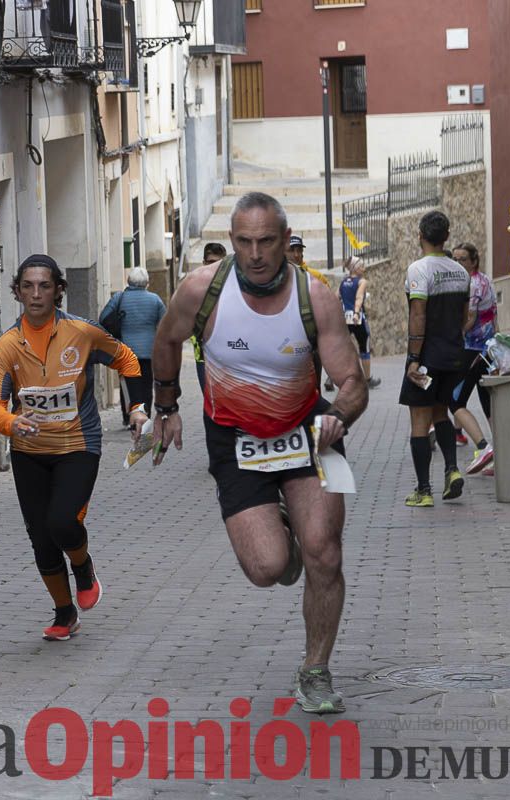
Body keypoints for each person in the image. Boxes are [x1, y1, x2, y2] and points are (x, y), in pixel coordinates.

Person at [151, 192, 368, 714]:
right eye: (244, 242)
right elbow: (165, 342)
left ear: (285, 240)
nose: (255, 253)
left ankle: (316, 670)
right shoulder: (201, 291)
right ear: (232, 242)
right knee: (268, 567)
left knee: (327, 551)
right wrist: (166, 405)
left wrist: (342, 415)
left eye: (266, 241)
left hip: (310, 432)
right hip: (235, 440)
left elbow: (352, 381)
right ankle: (286, 541)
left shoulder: (314, 298)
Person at [0, 254, 148, 640]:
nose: (36, 294)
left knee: (61, 521)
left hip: (78, 444)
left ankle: (83, 566)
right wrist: (12, 422)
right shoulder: (8, 345)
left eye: (44, 285)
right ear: (18, 291)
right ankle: (64, 612)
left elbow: (127, 359)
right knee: (41, 538)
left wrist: (139, 408)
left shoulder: (83, 332)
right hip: (29, 452)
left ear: (59, 290)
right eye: (28, 286)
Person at [400, 212, 473, 508]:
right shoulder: (461, 272)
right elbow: (464, 315)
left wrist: (414, 358)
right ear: (446, 236)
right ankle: (452, 470)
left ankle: (424, 489)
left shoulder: (419, 269)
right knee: (441, 412)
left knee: (420, 420)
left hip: (427, 355)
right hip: (454, 355)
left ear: (420, 235)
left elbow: (418, 314)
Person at [448, 243, 496, 474]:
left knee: (455, 401)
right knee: (488, 401)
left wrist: (451, 337)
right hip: (487, 348)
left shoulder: (473, 284)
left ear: (474, 261)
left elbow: (469, 319)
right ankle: (504, 454)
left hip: (472, 349)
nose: (458, 264)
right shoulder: (485, 280)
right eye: (455, 259)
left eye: (463, 259)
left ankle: (484, 447)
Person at [100, 267, 166, 426]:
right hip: (148, 351)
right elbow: (165, 323)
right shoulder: (155, 299)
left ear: (128, 281)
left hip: (125, 351)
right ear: (147, 283)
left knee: (128, 385)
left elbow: (103, 318)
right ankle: (145, 414)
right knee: (146, 384)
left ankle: (128, 416)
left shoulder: (119, 298)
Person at [338, 257, 380, 389]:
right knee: (364, 346)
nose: (364, 268)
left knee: (342, 348)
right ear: (355, 268)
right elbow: (359, 297)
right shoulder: (362, 281)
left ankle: (330, 378)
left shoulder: (344, 282)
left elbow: (336, 298)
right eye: (361, 266)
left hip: (345, 318)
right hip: (357, 319)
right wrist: (356, 312)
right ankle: (367, 379)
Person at [194, 242, 230, 391]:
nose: (214, 267)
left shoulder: (232, 287)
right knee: (209, 401)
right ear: (203, 263)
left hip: (228, 356)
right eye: (210, 263)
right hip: (203, 356)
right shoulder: (193, 288)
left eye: (218, 263)